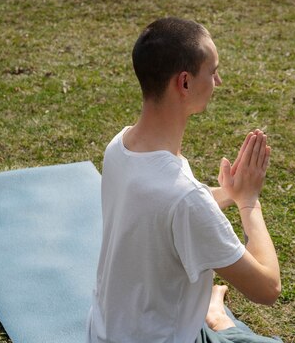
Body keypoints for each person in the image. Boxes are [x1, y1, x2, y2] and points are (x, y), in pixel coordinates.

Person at [87, 17, 282, 343]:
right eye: (213, 70)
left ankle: (211, 313)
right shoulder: (185, 199)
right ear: (185, 83)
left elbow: (161, 205)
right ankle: (216, 317)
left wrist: (227, 193)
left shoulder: (120, 147)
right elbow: (268, 288)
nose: (218, 81)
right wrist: (248, 202)